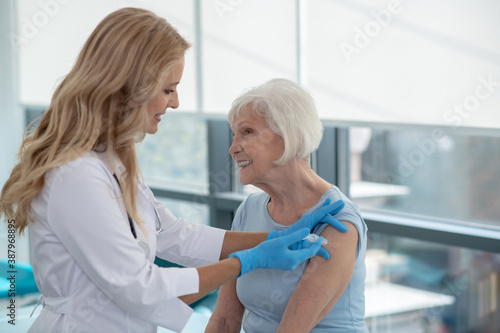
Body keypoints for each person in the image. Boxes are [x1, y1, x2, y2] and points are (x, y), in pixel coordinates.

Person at [0, 8, 348, 333]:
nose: (176, 103)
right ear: (129, 85)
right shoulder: (76, 174)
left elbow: (174, 235)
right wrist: (247, 261)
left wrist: (274, 238)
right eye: (168, 89)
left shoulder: (113, 161)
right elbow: (141, 286)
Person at [205, 78, 369, 332]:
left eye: (246, 132)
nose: (232, 148)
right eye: (234, 134)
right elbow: (224, 321)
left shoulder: (338, 222)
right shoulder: (248, 210)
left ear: (289, 134)